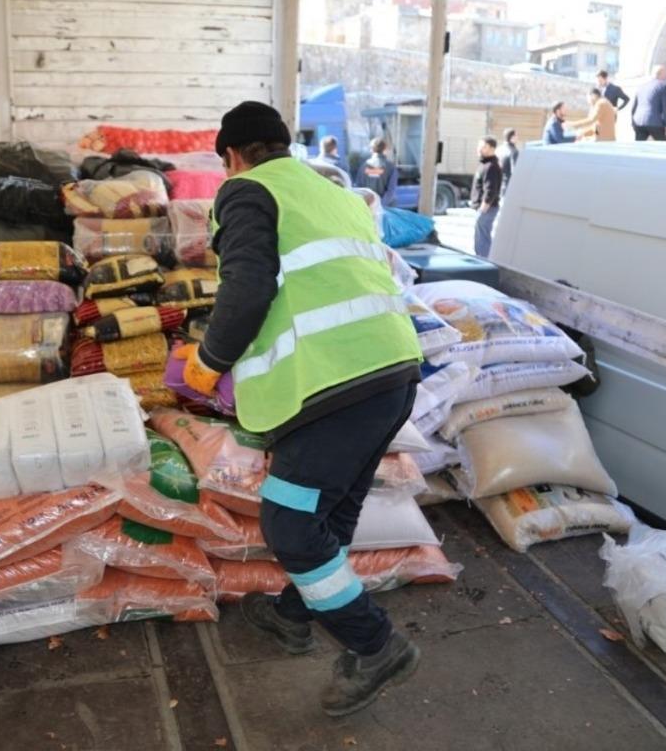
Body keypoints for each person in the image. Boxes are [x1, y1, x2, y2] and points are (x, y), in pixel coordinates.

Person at [173, 101, 423, 717]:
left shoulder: (246, 191)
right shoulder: (332, 192)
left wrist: (207, 362)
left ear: (232, 156)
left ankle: (376, 645)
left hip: (335, 384)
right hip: (392, 372)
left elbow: (248, 286)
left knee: (289, 522)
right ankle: (290, 614)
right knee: (328, 512)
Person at [470, 136, 503, 258]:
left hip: (487, 208)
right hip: (482, 207)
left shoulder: (491, 166)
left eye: (483, 147)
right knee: (480, 237)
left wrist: (483, 208)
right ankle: (481, 258)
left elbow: (490, 190)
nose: (479, 149)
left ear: (491, 149)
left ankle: (484, 261)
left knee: (483, 238)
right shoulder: (484, 164)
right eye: (479, 146)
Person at [631, 65, 666, 141]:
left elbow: (634, 107)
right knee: (662, 146)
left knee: (639, 147)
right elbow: (665, 107)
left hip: (639, 121)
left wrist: (633, 122)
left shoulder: (641, 87)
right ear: (661, 73)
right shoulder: (663, 86)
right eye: (665, 73)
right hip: (655, 122)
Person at [354, 137, 399, 206]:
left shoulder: (363, 166)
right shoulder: (391, 167)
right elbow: (391, 192)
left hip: (366, 208)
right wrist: (379, 205)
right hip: (385, 210)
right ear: (385, 150)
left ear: (372, 150)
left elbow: (358, 188)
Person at [499, 128, 519, 196]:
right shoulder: (513, 151)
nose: (518, 137)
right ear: (512, 137)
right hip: (508, 186)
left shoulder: (498, 149)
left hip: (498, 184)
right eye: (516, 135)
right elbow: (515, 171)